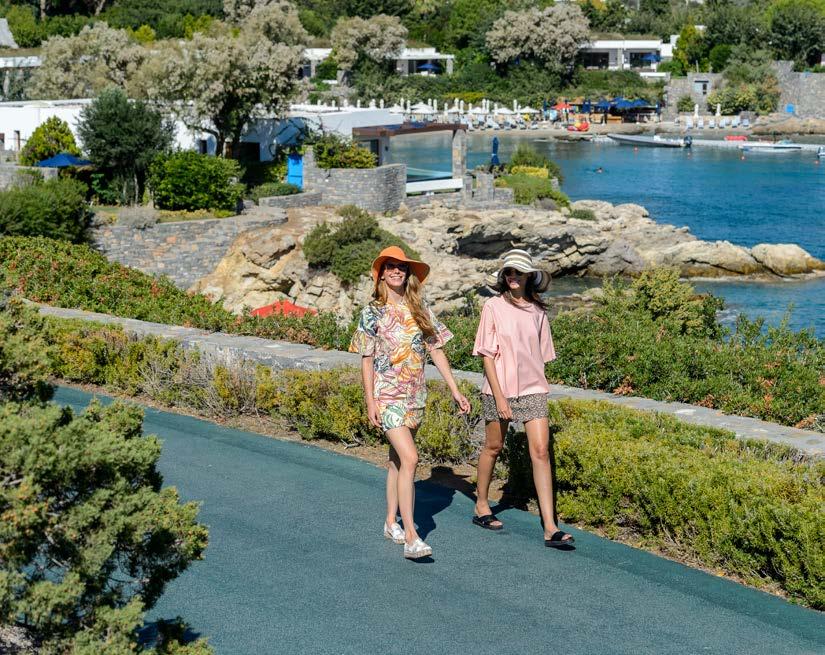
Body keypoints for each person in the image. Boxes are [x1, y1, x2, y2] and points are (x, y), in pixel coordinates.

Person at [350, 246, 471, 559]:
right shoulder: (371, 312)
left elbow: (436, 350)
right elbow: (366, 360)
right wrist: (370, 401)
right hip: (387, 396)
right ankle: (412, 536)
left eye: (401, 267)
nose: (396, 271)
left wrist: (455, 389)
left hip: (415, 396)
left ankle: (391, 522)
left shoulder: (420, 308)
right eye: (390, 266)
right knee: (411, 458)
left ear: (408, 273)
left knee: (397, 462)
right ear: (381, 274)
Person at [471, 249, 575, 548]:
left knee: (541, 451)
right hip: (499, 389)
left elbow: (540, 356)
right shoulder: (492, 306)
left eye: (518, 272)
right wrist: (501, 398)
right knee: (493, 446)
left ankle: (550, 526)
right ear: (503, 276)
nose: (513, 276)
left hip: (533, 388)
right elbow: (487, 356)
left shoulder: (539, 312)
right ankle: (481, 504)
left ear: (529, 276)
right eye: (509, 272)